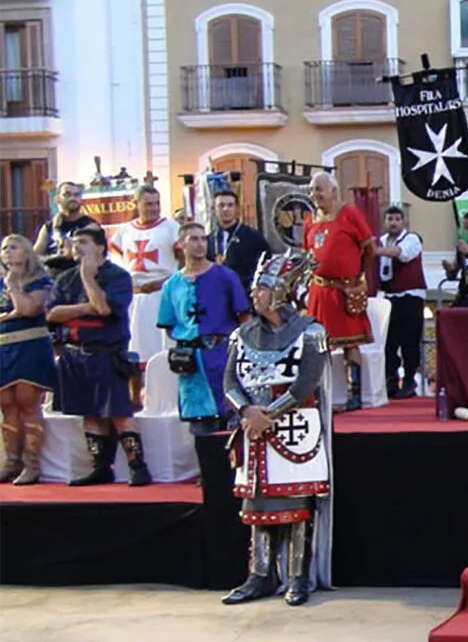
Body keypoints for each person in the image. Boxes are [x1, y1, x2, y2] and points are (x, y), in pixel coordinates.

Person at [222, 251, 332, 607]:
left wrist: (266, 414)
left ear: (281, 291)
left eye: (261, 290)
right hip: (254, 428)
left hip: (294, 425)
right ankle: (260, 573)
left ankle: (298, 575)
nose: (254, 296)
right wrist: (246, 410)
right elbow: (229, 382)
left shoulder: (312, 332)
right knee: (257, 501)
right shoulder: (241, 335)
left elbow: (304, 385)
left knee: (298, 499)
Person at [158, 222, 252, 584]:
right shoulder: (172, 284)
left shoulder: (225, 276)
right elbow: (169, 324)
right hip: (192, 363)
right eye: (193, 239)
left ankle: (236, 480)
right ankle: (209, 482)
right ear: (181, 244)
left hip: (221, 356)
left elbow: (243, 317)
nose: (199, 244)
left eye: (202, 238)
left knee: (230, 421)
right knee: (201, 427)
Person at [46, 226, 152, 486]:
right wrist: (85, 307)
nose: (77, 246)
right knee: (89, 414)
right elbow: (51, 314)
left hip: (106, 353)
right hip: (74, 354)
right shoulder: (64, 278)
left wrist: (88, 278)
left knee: (118, 412)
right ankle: (101, 467)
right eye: (74, 242)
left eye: (83, 241)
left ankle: (137, 466)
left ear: (100, 247)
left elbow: (104, 309)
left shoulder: (117, 277)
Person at [303, 171, 374, 412]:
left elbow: (369, 248)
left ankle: (354, 395)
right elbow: (308, 252)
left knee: (350, 343)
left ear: (334, 190)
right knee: (316, 344)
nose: (315, 195)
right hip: (319, 290)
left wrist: (357, 276)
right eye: (312, 191)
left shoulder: (349, 214)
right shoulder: (310, 219)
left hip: (345, 290)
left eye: (319, 189)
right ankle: (317, 395)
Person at [1, 234, 58, 485]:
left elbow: (27, 310)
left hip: (30, 347)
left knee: (27, 404)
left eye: (13, 247)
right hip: (3, 349)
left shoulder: (39, 280)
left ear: (26, 252)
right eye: (4, 248)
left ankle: (31, 464)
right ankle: (10, 461)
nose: (8, 252)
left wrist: (13, 285)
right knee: (7, 406)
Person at [108, 185, 180, 366]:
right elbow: (117, 262)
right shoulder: (124, 231)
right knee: (134, 353)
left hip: (161, 295)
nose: (154, 208)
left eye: (156, 203)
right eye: (148, 204)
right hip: (134, 298)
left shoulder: (171, 227)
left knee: (163, 352)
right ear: (136, 204)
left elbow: (183, 261)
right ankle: (134, 394)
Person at [377, 205, 425, 398]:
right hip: (388, 297)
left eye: (397, 219)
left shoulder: (412, 239)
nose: (394, 223)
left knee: (409, 341)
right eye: (390, 219)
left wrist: (376, 251)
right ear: (385, 222)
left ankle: (409, 380)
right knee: (388, 342)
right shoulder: (380, 241)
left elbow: (400, 253)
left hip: (410, 296)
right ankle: (390, 379)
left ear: (403, 222)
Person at [207, 188, 272, 291]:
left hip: (244, 295)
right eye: (221, 205)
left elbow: (266, 264)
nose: (225, 209)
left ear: (237, 208)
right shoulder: (209, 240)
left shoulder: (253, 236)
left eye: (230, 205)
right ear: (214, 209)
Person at [34, 181, 97, 276]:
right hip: (52, 279)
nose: (72, 198)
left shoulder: (90, 225)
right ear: (57, 199)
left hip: (79, 277)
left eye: (76, 195)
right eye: (67, 195)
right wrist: (52, 258)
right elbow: (34, 256)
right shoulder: (48, 227)